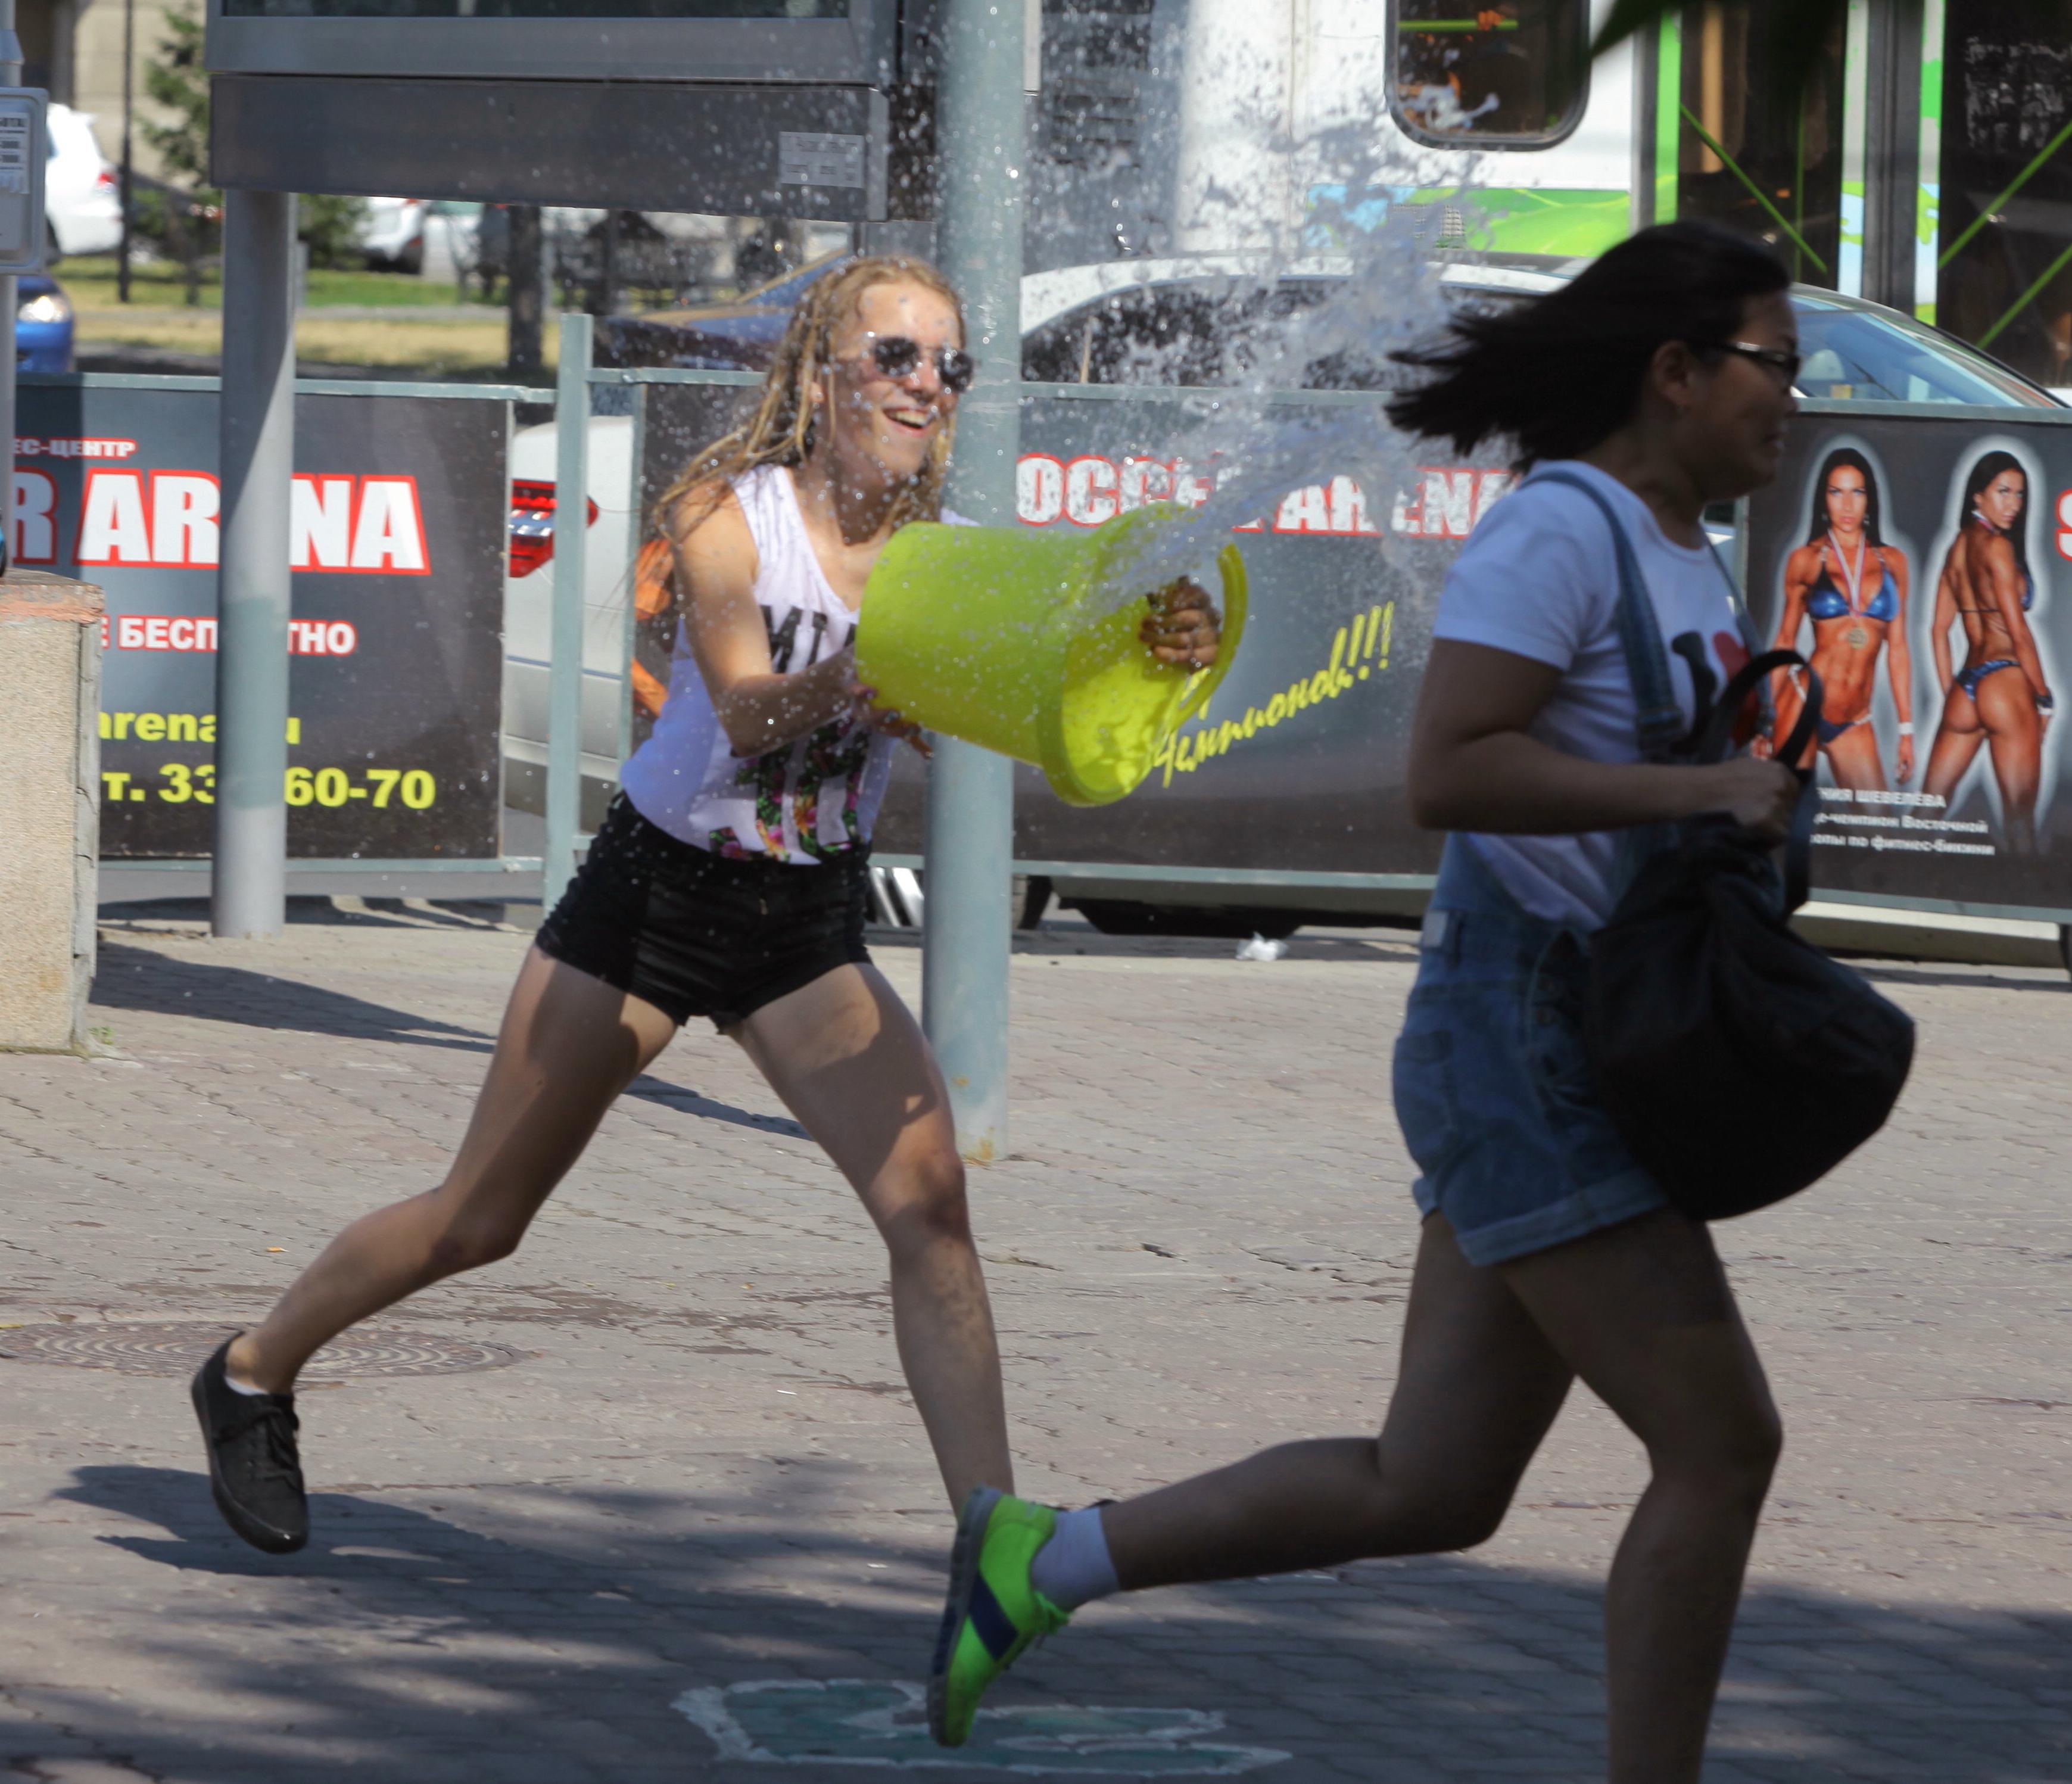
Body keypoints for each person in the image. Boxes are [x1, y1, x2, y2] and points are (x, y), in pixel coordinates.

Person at [924, 221, 1803, 1784]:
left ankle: (1036, 1562)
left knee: (1432, 1481)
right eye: (1768, 364)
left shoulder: (1678, 543)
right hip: (1522, 1043)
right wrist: (1702, 785)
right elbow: (1445, 769)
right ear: (1670, 372)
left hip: (1567, 1041)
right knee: (1719, 1441)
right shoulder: (1561, 528)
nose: (1785, 401)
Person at [189, 254, 1223, 1555]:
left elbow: (1039, 726)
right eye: (894, 357)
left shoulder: (942, 559)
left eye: (947, 366)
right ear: (821, 370)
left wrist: (1141, 646)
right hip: (654, 902)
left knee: (931, 1209)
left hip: (803, 926)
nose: (924, 388)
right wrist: (881, 666)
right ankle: (247, 1372)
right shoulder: (725, 514)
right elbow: (743, 703)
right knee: (479, 1220)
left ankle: (996, 1542)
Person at [1921, 449, 2054, 849]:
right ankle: (2024, 909)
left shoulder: (1955, 549)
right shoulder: (1997, 548)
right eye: (2002, 492)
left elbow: (1937, 630)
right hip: (2005, 679)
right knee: (2018, 823)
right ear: (1976, 496)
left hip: (1967, 685)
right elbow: (2018, 633)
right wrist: (2044, 698)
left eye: (2018, 494)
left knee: (1924, 816)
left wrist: (1951, 692)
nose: (2012, 504)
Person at [1765, 447, 1914, 790]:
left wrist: (1907, 731)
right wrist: (1765, 719)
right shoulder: (1806, 559)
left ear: (1869, 499)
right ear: (1824, 499)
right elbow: (1784, 641)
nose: (1847, 505)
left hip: (1854, 719)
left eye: (1856, 492)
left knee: (1878, 833)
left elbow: (1898, 651)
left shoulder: (1893, 562)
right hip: (1802, 704)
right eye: (1836, 492)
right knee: (1783, 822)